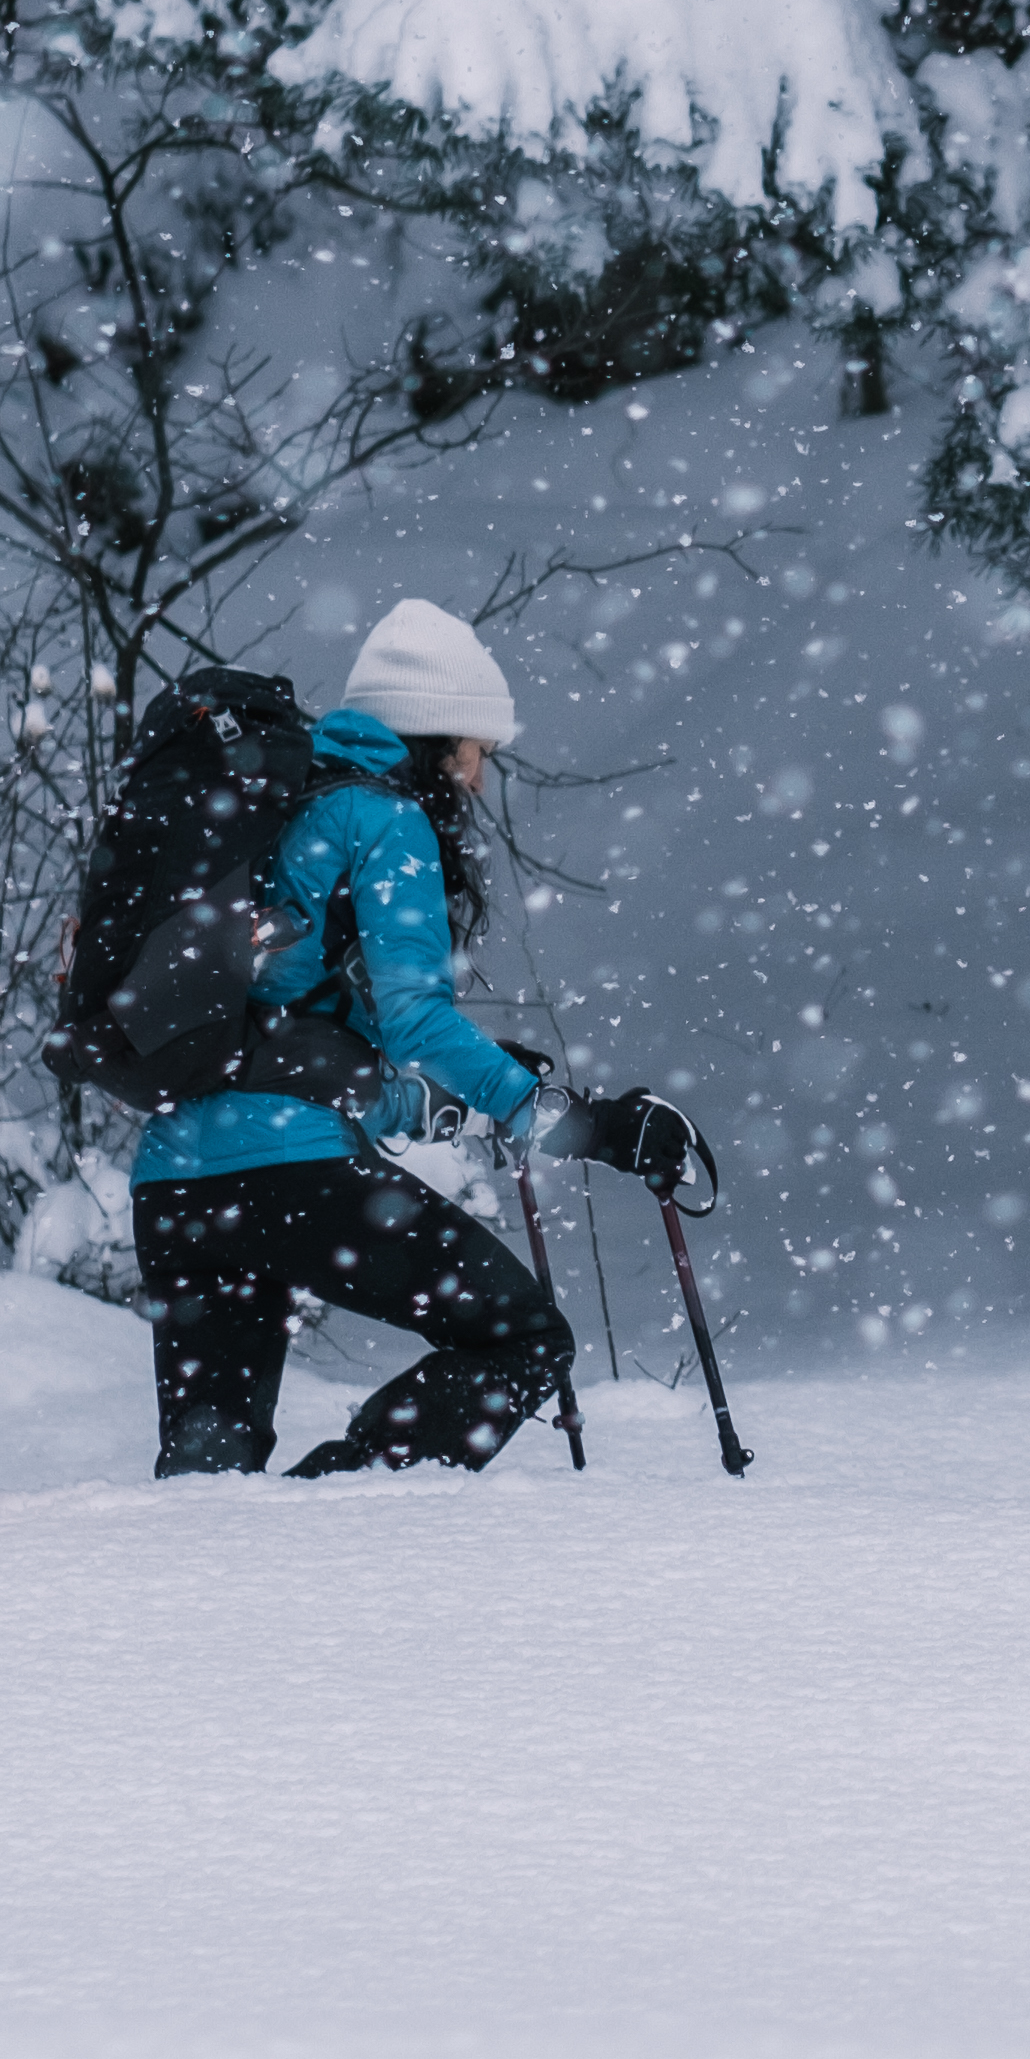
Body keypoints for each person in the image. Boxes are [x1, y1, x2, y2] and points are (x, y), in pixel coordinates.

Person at [126, 602, 667, 1479]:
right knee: (520, 1339)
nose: (480, 780)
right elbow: (415, 1019)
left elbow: (307, 1044)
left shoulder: (277, 806)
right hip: (287, 1173)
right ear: (435, 736)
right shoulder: (382, 818)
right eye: (478, 752)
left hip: (175, 1183)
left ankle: (241, 1591)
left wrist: (460, 1095)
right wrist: (567, 1121)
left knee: (209, 1479)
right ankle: (351, 1499)